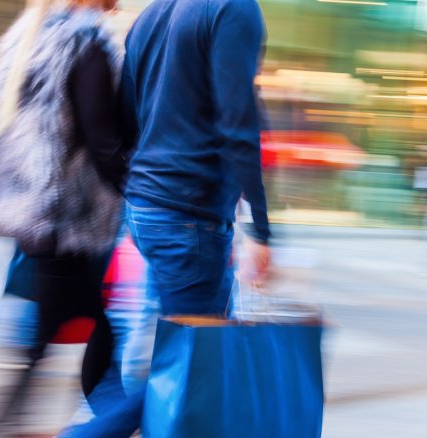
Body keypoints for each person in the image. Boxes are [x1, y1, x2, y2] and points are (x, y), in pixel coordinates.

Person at [65, 0, 272, 435]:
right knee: (193, 366)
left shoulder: (152, 16)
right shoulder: (233, 9)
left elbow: (127, 119)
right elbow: (238, 123)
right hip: (188, 218)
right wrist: (260, 229)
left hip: (149, 209)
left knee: (197, 355)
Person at [0, 0, 127, 434]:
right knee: (55, 338)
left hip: (28, 210)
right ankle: (103, 420)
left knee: (95, 324)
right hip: (64, 218)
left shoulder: (29, 36)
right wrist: (138, 190)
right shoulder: (84, 42)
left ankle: (110, 419)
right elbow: (101, 137)